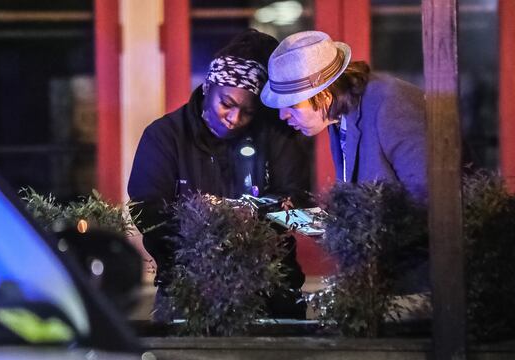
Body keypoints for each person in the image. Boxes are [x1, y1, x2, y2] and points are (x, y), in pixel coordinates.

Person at [128, 29, 311, 321]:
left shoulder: (276, 134)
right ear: (208, 87)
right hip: (188, 291)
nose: (234, 118)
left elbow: (296, 195)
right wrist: (205, 228)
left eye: (247, 112)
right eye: (227, 103)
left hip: (272, 290)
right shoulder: (165, 136)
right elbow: (147, 210)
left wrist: (254, 215)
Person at [261, 30, 427, 201]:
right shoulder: (337, 115)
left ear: (324, 95)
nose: (283, 115)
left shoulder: (391, 103)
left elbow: (428, 196)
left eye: (292, 105)